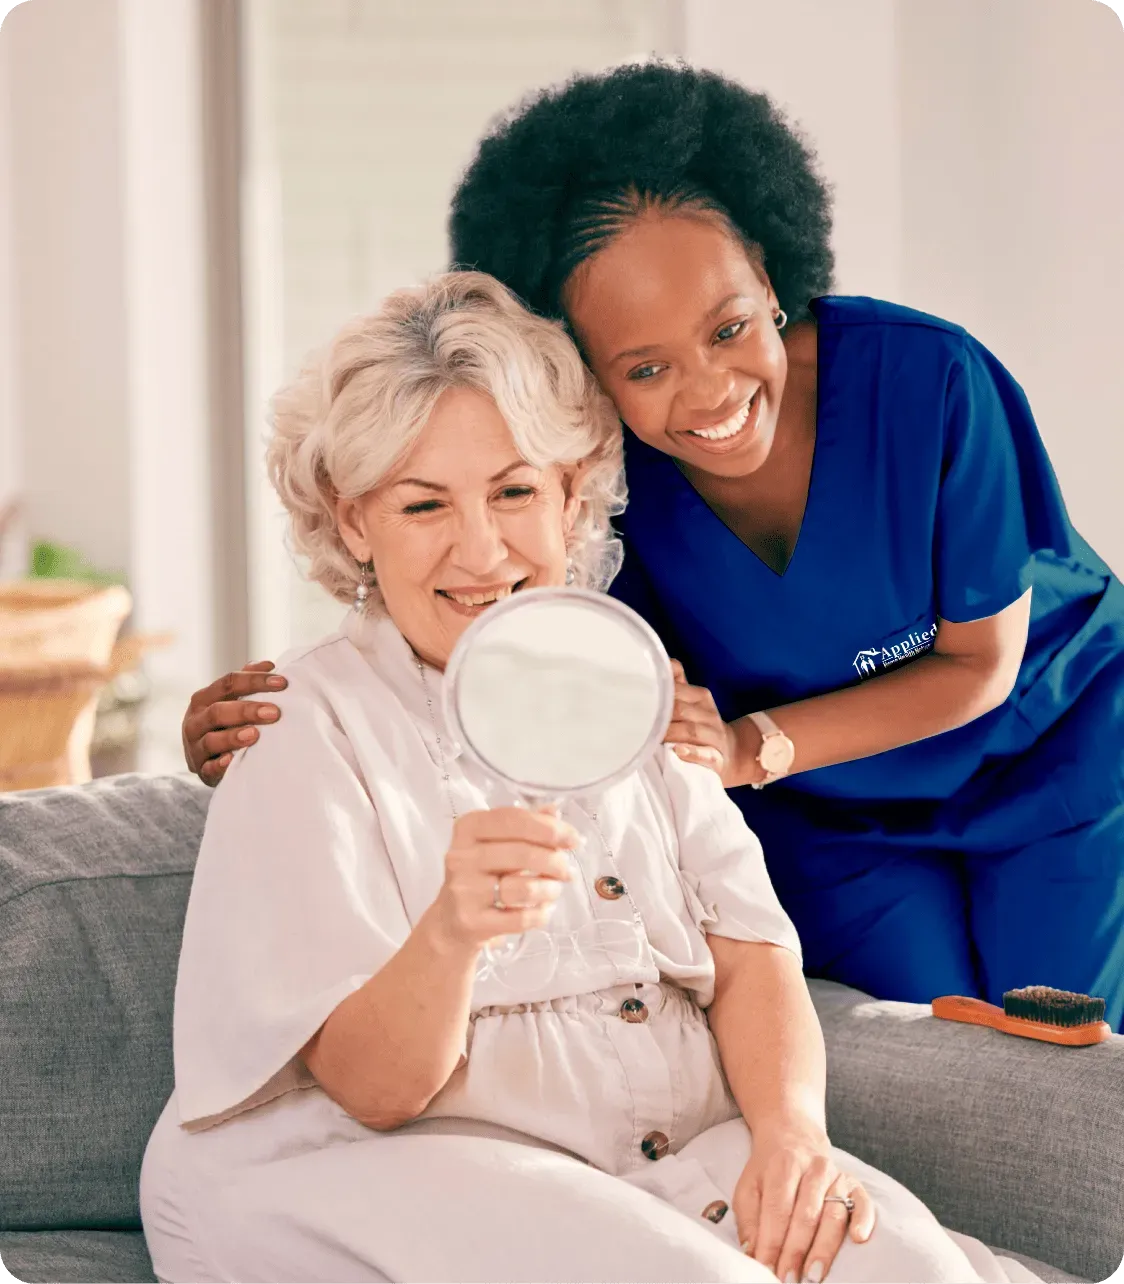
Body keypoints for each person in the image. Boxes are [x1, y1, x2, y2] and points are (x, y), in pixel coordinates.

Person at [184, 61, 1124, 1031]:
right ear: (585, 370)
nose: (709, 391)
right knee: (922, 1056)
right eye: (644, 366)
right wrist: (286, 724)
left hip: (1046, 749)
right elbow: (482, 633)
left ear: (766, 274)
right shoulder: (596, 483)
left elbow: (977, 666)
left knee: (1057, 1046)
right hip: (828, 816)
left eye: (726, 326)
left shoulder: (928, 382)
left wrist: (750, 748)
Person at [144, 273, 1043, 1284]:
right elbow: (373, 1091)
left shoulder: (629, 688)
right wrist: (453, 932)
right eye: (421, 503)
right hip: (374, 1162)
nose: (479, 548)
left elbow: (751, 955)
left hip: (652, 1153)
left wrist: (792, 1137)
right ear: (354, 523)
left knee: (918, 1273)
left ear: (572, 494)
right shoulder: (300, 726)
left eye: (515, 490)